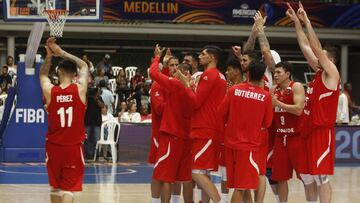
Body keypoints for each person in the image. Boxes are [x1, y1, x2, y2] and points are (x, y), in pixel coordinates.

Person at [287, 3, 340, 203]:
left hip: (321, 131)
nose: (317, 57)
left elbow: (316, 47)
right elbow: (305, 46)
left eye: (322, 57)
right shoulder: (319, 73)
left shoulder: (332, 74)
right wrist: (296, 23)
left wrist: (307, 20)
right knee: (308, 177)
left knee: (321, 176)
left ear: (331, 61)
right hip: (307, 129)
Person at [39, 37, 88, 203]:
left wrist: (49, 55)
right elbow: (84, 65)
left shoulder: (50, 91)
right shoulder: (80, 89)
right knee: (69, 189)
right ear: (75, 75)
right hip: (72, 147)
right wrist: (62, 53)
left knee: (55, 187)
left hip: (53, 147)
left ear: (58, 72)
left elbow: (43, 74)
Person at [218, 60, 273, 203]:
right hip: (248, 146)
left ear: (247, 73)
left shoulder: (233, 90)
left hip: (231, 145)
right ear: (262, 77)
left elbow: (221, 114)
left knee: (244, 185)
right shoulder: (265, 96)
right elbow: (267, 123)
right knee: (241, 187)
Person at [149, 45, 194, 203]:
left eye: (177, 66)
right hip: (178, 135)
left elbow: (154, 73)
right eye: (172, 65)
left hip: (171, 134)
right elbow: (159, 108)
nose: (175, 68)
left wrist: (157, 58)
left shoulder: (174, 85)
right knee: (179, 176)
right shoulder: (192, 89)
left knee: (166, 175)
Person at [182, 45, 227, 203]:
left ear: (212, 57)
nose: (199, 57)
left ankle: (220, 201)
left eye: (203, 54)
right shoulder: (220, 76)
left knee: (194, 171)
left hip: (205, 127)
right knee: (203, 171)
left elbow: (195, 102)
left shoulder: (209, 74)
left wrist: (187, 85)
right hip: (211, 126)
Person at [270, 61, 308, 202]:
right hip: (280, 138)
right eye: (274, 72)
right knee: (280, 177)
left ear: (288, 74)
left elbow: (298, 110)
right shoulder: (273, 90)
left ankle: (312, 200)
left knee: (305, 176)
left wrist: (278, 104)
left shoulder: (296, 87)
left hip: (296, 137)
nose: (275, 75)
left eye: (279, 72)